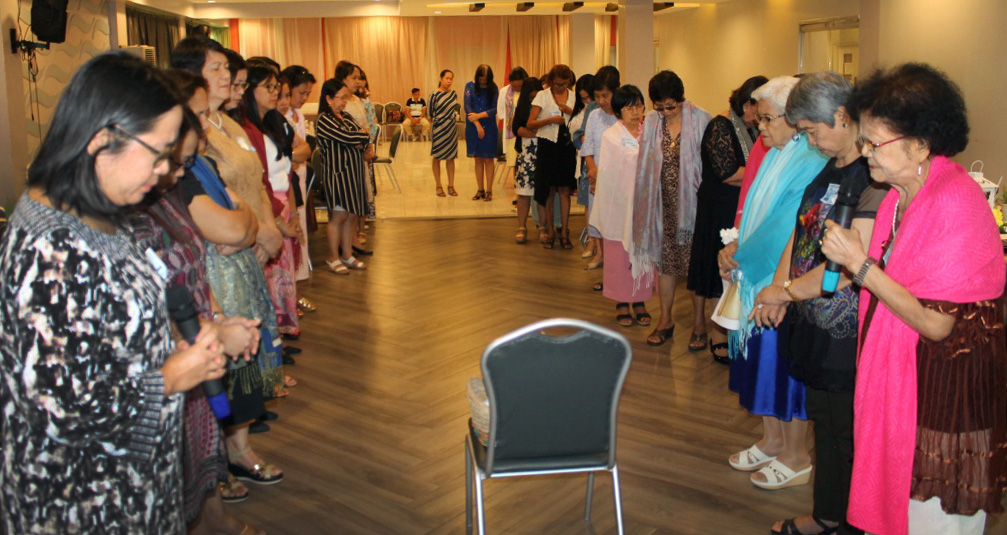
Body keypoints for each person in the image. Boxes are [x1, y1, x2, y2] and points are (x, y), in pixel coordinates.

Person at [0, 51, 224, 534]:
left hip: (132, 484)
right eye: (159, 153)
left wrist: (182, 337)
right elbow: (62, 411)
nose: (165, 171)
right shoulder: (51, 248)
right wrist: (169, 376)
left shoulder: (96, 216)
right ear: (103, 139)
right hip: (82, 500)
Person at [821, 63, 1007, 535]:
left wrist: (860, 265)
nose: (865, 155)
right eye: (863, 142)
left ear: (921, 145)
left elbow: (936, 324)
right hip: (911, 381)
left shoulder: (954, 202)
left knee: (933, 518)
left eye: (874, 143)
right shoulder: (897, 199)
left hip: (945, 389)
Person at [749, 71, 885, 535]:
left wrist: (785, 292)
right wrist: (779, 287)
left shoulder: (873, 175)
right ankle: (828, 515)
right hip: (814, 320)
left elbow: (849, 270)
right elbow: (801, 227)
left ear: (843, 116)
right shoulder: (831, 162)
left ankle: (855, 520)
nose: (809, 139)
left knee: (849, 433)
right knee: (825, 428)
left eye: (811, 129)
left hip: (849, 331)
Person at [137, 69, 265, 535]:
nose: (176, 172)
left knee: (200, 448)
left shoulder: (166, 191)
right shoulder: (119, 215)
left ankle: (213, 520)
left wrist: (212, 319)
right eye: (173, 159)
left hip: (194, 337)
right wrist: (212, 333)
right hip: (174, 357)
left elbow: (200, 253)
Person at [171, 38, 285, 494]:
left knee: (241, 379)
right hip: (212, 285)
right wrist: (247, 224)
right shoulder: (182, 168)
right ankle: (219, 468)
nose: (225, 78)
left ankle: (233, 454)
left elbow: (242, 207)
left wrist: (251, 222)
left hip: (236, 271)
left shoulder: (210, 147)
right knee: (224, 382)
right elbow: (229, 227)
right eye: (216, 68)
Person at [718, 76, 827, 492]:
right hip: (755, 271)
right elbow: (753, 210)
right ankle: (772, 440)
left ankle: (797, 455)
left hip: (785, 281)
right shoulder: (777, 152)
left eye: (766, 119)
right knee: (759, 366)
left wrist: (741, 257)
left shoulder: (811, 159)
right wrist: (733, 248)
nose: (759, 128)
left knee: (783, 369)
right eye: (758, 119)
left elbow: (786, 226)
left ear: (794, 118)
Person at [685, 75, 767, 358]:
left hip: (742, 206)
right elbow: (728, 172)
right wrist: (765, 175)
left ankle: (729, 328)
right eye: (760, 109)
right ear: (747, 104)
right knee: (713, 269)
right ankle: (712, 331)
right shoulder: (720, 125)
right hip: (718, 206)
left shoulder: (754, 129)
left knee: (734, 271)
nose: (763, 117)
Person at [631, 71, 711, 347]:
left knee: (694, 265)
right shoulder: (652, 122)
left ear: (681, 98)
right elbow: (644, 165)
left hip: (694, 208)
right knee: (665, 264)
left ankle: (700, 323)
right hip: (660, 206)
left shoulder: (701, 119)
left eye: (670, 106)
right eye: (659, 105)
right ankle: (665, 320)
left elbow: (710, 166)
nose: (664, 111)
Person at [235, 65, 302, 342]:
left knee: (282, 278)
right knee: (268, 282)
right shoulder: (245, 129)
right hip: (266, 210)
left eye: (277, 88)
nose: (276, 93)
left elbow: (288, 167)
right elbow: (257, 183)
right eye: (270, 87)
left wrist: (294, 211)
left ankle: (281, 336)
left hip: (283, 203)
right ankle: (272, 344)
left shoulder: (273, 122)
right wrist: (276, 222)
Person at [590, 85, 654, 327]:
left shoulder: (649, 132)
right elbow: (608, 175)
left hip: (644, 207)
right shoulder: (611, 136)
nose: (635, 112)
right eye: (629, 107)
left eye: (638, 106)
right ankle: (621, 301)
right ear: (618, 111)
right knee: (619, 255)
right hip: (618, 206)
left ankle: (640, 300)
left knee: (642, 253)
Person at [315, 78, 371, 276]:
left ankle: (347, 255)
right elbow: (348, 137)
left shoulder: (346, 116)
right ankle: (333, 257)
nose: (344, 102)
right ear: (328, 99)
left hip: (354, 175)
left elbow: (364, 134)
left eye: (345, 98)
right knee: (338, 216)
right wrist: (360, 138)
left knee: (351, 215)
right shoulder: (323, 120)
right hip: (338, 176)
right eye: (340, 98)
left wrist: (361, 138)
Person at [528, 64, 578, 249]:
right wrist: (550, 120)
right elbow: (530, 123)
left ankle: (564, 232)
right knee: (548, 190)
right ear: (550, 81)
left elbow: (582, 120)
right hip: (547, 145)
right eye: (557, 84)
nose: (560, 87)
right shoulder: (542, 95)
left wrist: (570, 112)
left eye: (564, 84)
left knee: (565, 191)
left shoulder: (574, 96)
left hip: (566, 146)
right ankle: (549, 231)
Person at [280, 65, 318, 289]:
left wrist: (296, 156)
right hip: (287, 175)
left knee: (300, 221)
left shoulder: (298, 114)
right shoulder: (280, 116)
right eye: (300, 93)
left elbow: (304, 149)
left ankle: (300, 277)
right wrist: (293, 157)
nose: (304, 98)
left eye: (307, 94)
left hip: (299, 173)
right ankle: (290, 283)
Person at [581, 66, 620, 276]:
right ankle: (601, 254)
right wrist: (593, 170)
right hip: (598, 178)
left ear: (617, 91)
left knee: (617, 221)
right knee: (600, 220)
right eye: (597, 96)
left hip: (619, 179)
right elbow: (588, 149)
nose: (602, 101)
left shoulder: (625, 114)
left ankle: (616, 262)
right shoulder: (594, 115)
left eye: (605, 95)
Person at [332, 61, 372, 267]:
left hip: (360, 156)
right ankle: (344, 245)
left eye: (359, 77)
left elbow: (365, 127)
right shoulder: (339, 102)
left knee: (359, 200)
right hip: (346, 158)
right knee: (346, 205)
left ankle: (354, 239)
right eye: (353, 77)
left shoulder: (356, 100)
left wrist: (369, 146)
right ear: (343, 79)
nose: (358, 81)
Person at [511, 77, 542, 244]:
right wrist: (530, 132)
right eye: (530, 97)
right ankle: (521, 227)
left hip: (544, 152)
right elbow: (517, 128)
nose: (533, 100)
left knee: (543, 192)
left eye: (536, 96)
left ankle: (543, 226)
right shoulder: (522, 106)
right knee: (523, 192)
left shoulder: (547, 105)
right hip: (527, 154)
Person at [569, 73, 595, 261]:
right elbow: (576, 136)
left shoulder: (598, 110)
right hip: (583, 163)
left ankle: (597, 243)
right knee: (587, 205)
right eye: (583, 97)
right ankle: (592, 241)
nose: (587, 101)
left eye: (589, 97)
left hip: (596, 162)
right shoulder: (579, 112)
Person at [464, 64, 499, 201]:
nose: (483, 81)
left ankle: (489, 190)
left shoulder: (493, 87)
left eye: (485, 79)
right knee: (478, 159)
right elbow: (468, 106)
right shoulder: (469, 86)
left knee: (489, 159)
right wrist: (477, 123)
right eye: (481, 78)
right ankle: (480, 189)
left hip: (489, 125)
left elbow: (495, 109)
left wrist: (479, 116)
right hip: (473, 125)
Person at [430, 69, 459, 197]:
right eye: (447, 78)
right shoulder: (434, 95)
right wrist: (439, 124)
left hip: (452, 128)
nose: (449, 81)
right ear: (441, 78)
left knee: (451, 157)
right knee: (437, 157)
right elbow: (430, 115)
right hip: (439, 129)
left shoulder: (453, 94)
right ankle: (438, 185)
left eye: (451, 78)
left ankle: (451, 185)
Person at [498, 67, 528, 185]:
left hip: (526, 130)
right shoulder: (504, 91)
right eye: (514, 86)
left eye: (519, 86)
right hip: (511, 132)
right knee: (515, 161)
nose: (516, 89)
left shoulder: (529, 91)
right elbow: (500, 112)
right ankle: (518, 187)